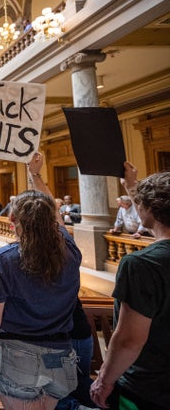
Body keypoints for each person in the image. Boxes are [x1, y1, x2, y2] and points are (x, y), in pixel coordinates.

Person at [0, 153, 81, 410]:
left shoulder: (1, 260)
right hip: (62, 355)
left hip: (18, 356)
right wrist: (35, 175)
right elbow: (54, 210)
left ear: (12, 221)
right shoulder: (70, 249)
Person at [90, 164, 170, 410]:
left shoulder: (141, 264)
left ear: (150, 209)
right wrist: (131, 186)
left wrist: (104, 380)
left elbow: (129, 340)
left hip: (150, 389)